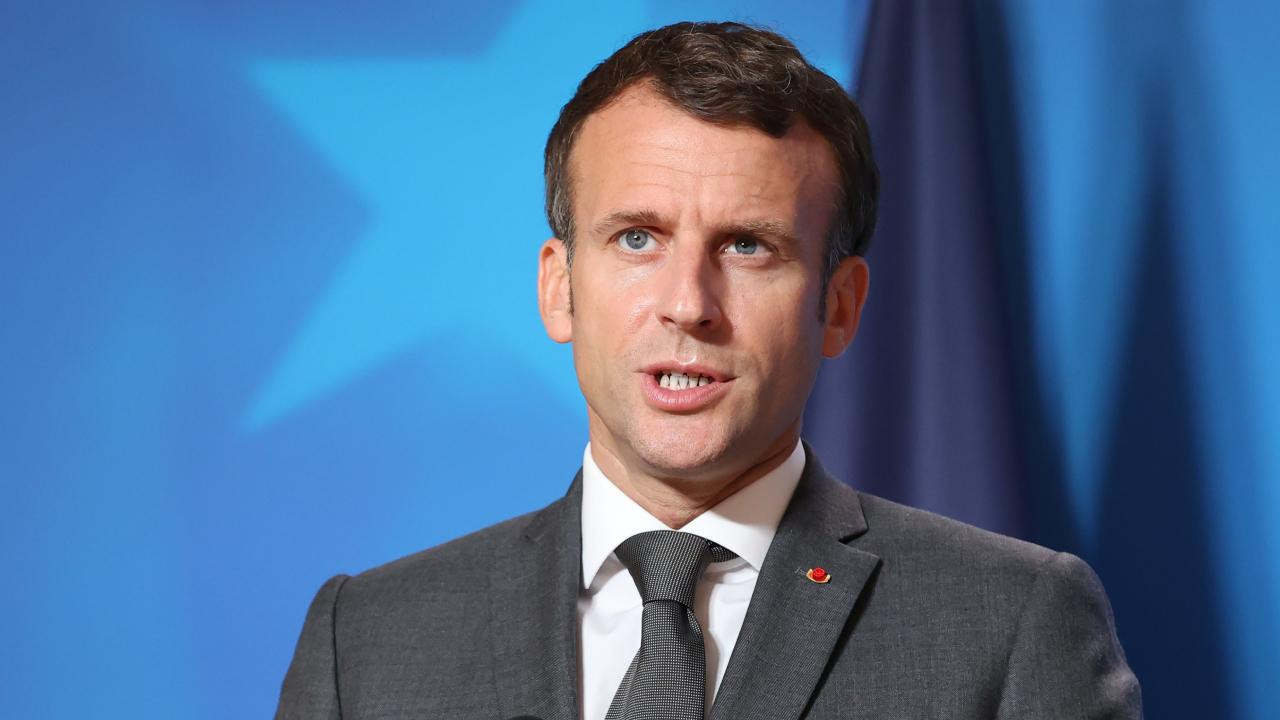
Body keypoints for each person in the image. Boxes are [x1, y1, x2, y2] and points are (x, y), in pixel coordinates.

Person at [276, 21, 1142, 720]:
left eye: (748, 246)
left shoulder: (1008, 622)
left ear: (840, 306)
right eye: (637, 238)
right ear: (558, 288)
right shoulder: (367, 641)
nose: (689, 303)